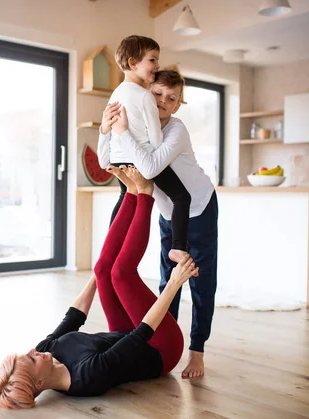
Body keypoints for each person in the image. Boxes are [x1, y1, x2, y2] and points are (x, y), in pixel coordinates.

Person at [0, 167, 199, 409]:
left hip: (122, 334)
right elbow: (141, 334)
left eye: (27, 354)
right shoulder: (88, 376)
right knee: (121, 274)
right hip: (159, 349)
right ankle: (146, 192)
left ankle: (131, 192)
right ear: (39, 382)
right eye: (32, 359)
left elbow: (74, 316)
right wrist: (174, 282)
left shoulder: (44, 352)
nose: (33, 351)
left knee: (104, 270)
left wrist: (99, 275)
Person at [99, 70, 218, 378]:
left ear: (178, 105)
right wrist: (105, 129)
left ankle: (196, 352)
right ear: (145, 97)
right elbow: (114, 167)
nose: (164, 102)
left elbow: (150, 167)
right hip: (170, 214)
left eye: (172, 98)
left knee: (201, 284)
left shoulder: (176, 131)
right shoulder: (140, 130)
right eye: (157, 94)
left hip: (200, 208)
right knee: (168, 284)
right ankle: (163, 342)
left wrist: (122, 133)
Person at [100, 35, 191, 264]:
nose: (157, 65)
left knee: (124, 198)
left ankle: (112, 241)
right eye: (153, 59)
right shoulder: (143, 97)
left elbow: (110, 130)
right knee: (181, 196)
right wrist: (156, 144)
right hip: (140, 161)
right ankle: (178, 247)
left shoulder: (116, 93)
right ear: (133, 63)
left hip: (119, 160)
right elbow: (156, 138)